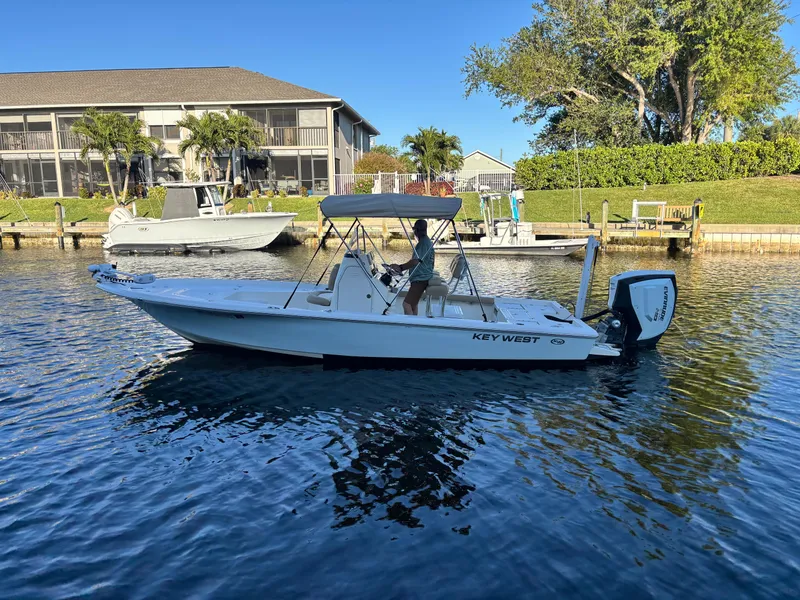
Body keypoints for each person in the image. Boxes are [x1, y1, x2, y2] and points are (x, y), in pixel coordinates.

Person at [390, 219, 435, 315]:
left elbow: (416, 261)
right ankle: (415, 322)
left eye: (415, 230)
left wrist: (400, 267)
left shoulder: (423, 244)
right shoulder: (425, 242)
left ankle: (410, 327)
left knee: (406, 305)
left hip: (421, 279)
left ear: (417, 231)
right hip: (420, 277)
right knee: (413, 305)